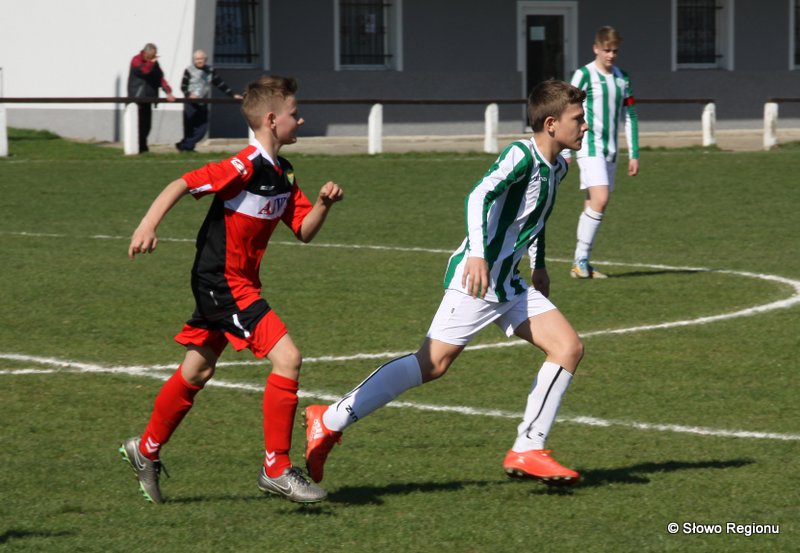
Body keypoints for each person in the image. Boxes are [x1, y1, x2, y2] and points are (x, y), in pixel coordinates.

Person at [304, 79, 588, 487]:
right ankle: (329, 420)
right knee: (432, 364)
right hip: (477, 280)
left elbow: (534, 218)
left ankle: (529, 448)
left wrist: (539, 264)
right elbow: (478, 196)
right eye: (578, 119)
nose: (584, 126)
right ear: (550, 124)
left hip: (509, 283)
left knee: (567, 347)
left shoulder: (558, 166)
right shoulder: (520, 155)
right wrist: (477, 253)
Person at [119, 75, 344, 504]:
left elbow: (303, 230)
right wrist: (147, 225)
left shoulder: (282, 173)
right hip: (223, 283)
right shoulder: (244, 166)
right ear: (272, 119)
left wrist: (322, 205)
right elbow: (182, 183)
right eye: (295, 113)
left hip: (233, 283)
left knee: (197, 371)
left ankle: (144, 450)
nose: (300, 119)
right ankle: (276, 468)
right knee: (288, 358)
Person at [566, 25, 639, 279]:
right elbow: (566, 107)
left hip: (610, 150)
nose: (611, 55)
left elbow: (629, 114)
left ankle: (581, 263)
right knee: (601, 198)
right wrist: (565, 149)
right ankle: (580, 261)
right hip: (589, 146)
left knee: (594, 203)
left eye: (615, 51)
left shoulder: (622, 78)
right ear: (596, 48)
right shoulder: (584, 75)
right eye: (607, 50)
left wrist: (634, 153)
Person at [175, 49, 243, 152]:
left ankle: (183, 145)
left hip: (203, 102)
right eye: (197, 59)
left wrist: (232, 95)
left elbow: (220, 84)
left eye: (201, 59)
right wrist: (189, 95)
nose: (199, 61)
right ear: (194, 60)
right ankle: (188, 148)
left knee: (203, 129)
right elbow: (183, 86)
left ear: (205, 59)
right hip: (190, 103)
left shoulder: (210, 70)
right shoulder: (189, 70)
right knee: (189, 127)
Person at [127, 43, 176, 153]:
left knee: (147, 125)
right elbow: (145, 71)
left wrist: (168, 91)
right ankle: (138, 147)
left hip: (148, 98)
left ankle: (142, 147)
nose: (153, 58)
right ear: (145, 53)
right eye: (151, 55)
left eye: (154, 55)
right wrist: (152, 62)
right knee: (137, 125)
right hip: (137, 98)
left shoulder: (153, 63)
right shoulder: (136, 60)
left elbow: (160, 78)